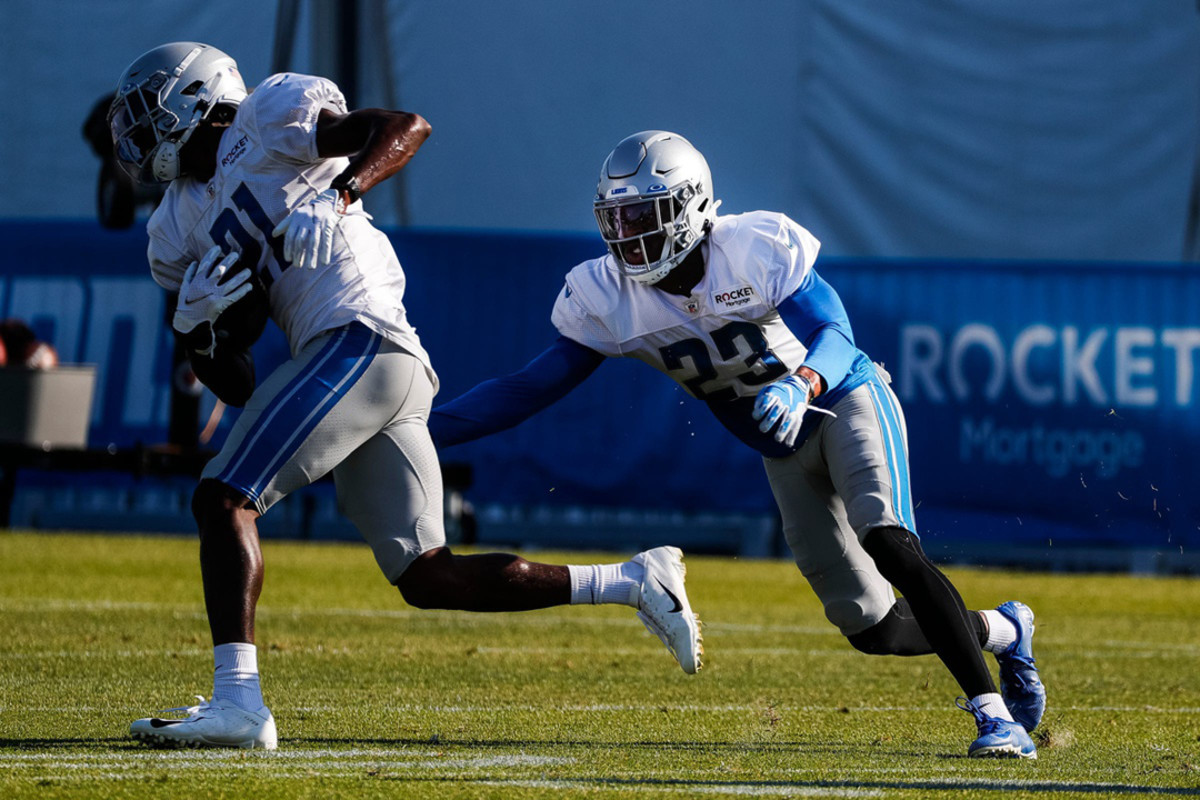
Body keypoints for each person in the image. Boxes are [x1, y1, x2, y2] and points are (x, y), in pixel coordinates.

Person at [109, 44, 702, 751]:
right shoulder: (174, 226)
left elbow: (404, 126)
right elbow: (238, 386)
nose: (139, 130)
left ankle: (241, 703)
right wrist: (201, 334)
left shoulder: (266, 116)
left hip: (361, 337)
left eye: (150, 106)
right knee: (428, 575)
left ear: (195, 96)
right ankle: (634, 580)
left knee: (222, 498)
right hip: (356, 364)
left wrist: (339, 190)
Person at [428, 130, 1047, 759]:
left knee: (888, 540)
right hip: (779, 448)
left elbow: (836, 333)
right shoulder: (609, 296)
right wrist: (424, 431)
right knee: (874, 628)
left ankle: (995, 719)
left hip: (841, 403)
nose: (629, 233)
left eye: (644, 214)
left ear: (691, 205)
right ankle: (1004, 629)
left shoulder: (753, 247)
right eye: (617, 218)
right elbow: (526, 388)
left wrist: (801, 382)